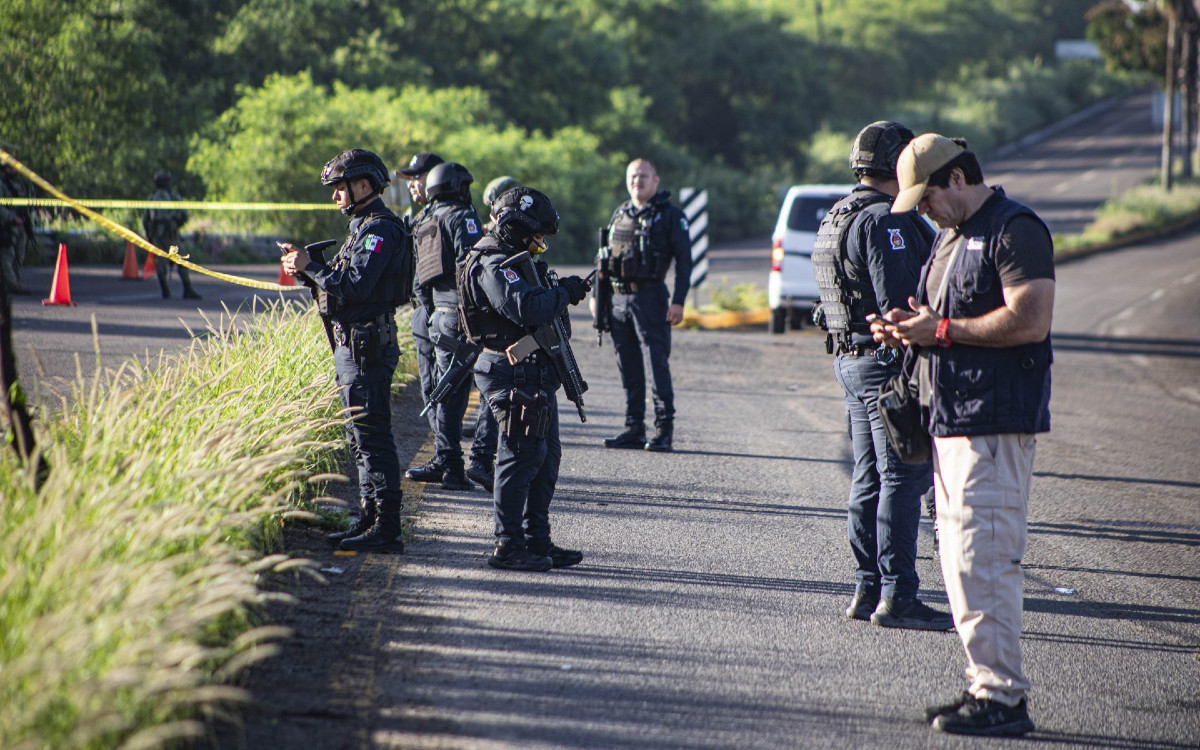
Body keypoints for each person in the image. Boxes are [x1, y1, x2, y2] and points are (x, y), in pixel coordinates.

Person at [873, 133, 1054, 736]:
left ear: (957, 178)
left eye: (927, 198)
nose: (923, 211)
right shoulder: (949, 238)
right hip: (948, 420)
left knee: (985, 559)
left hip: (993, 424)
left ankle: (1004, 699)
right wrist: (907, 328)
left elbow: (1031, 319)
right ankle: (985, 685)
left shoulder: (1015, 229)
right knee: (958, 564)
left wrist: (941, 332)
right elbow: (940, 321)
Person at [813, 121, 950, 631]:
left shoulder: (838, 214)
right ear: (898, 163)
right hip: (885, 365)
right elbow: (899, 305)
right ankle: (897, 595)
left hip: (851, 362)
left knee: (869, 476)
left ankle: (867, 588)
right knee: (902, 478)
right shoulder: (885, 220)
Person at [281, 148, 411, 553]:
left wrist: (310, 266)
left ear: (364, 185)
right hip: (353, 344)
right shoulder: (362, 227)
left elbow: (355, 285)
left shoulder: (379, 230)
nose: (335, 195)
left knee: (372, 437)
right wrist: (306, 270)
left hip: (367, 346)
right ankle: (369, 518)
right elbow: (338, 283)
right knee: (359, 437)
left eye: (340, 187)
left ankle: (387, 528)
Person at [458, 186, 591, 571]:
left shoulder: (515, 259)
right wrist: (564, 293)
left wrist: (561, 290)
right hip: (510, 371)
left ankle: (537, 541)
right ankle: (508, 545)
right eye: (536, 234)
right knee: (518, 459)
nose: (540, 241)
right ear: (515, 226)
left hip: (532, 373)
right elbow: (524, 308)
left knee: (545, 458)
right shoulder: (493, 261)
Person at [405, 161, 498, 491]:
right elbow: (471, 269)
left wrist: (433, 313)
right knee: (489, 383)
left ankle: (449, 465)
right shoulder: (462, 217)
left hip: (438, 317)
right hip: (464, 316)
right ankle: (476, 461)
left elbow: (419, 280)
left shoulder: (424, 220)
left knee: (446, 391)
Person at [599, 158, 692, 452]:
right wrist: (598, 298)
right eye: (633, 176)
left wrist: (678, 301)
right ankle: (633, 428)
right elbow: (604, 259)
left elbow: (685, 261)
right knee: (628, 367)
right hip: (618, 300)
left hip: (651, 298)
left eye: (643, 176)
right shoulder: (620, 213)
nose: (637, 180)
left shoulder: (670, 216)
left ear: (655, 180)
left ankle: (663, 430)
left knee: (656, 365)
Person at [397, 152, 444, 448]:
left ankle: (448, 454)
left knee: (443, 387)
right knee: (429, 385)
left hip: (441, 312)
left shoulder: (446, 215)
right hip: (422, 312)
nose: (412, 184)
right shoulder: (421, 217)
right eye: (410, 179)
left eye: (418, 177)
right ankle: (443, 449)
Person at [142, 170, 200, 300]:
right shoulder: (165, 196)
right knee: (170, 261)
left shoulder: (158, 197)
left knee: (170, 261)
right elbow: (148, 219)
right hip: (164, 235)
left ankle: (176, 289)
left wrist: (149, 234)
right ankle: (174, 289)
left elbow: (146, 220)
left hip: (166, 235)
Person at [0, 160, 34, 295]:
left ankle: (15, 281)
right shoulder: (2, 185)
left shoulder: (20, 184)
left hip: (22, 225)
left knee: (19, 256)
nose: (14, 169)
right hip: (7, 226)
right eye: (11, 167)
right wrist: (12, 217)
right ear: (5, 168)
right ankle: (11, 284)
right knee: (7, 255)